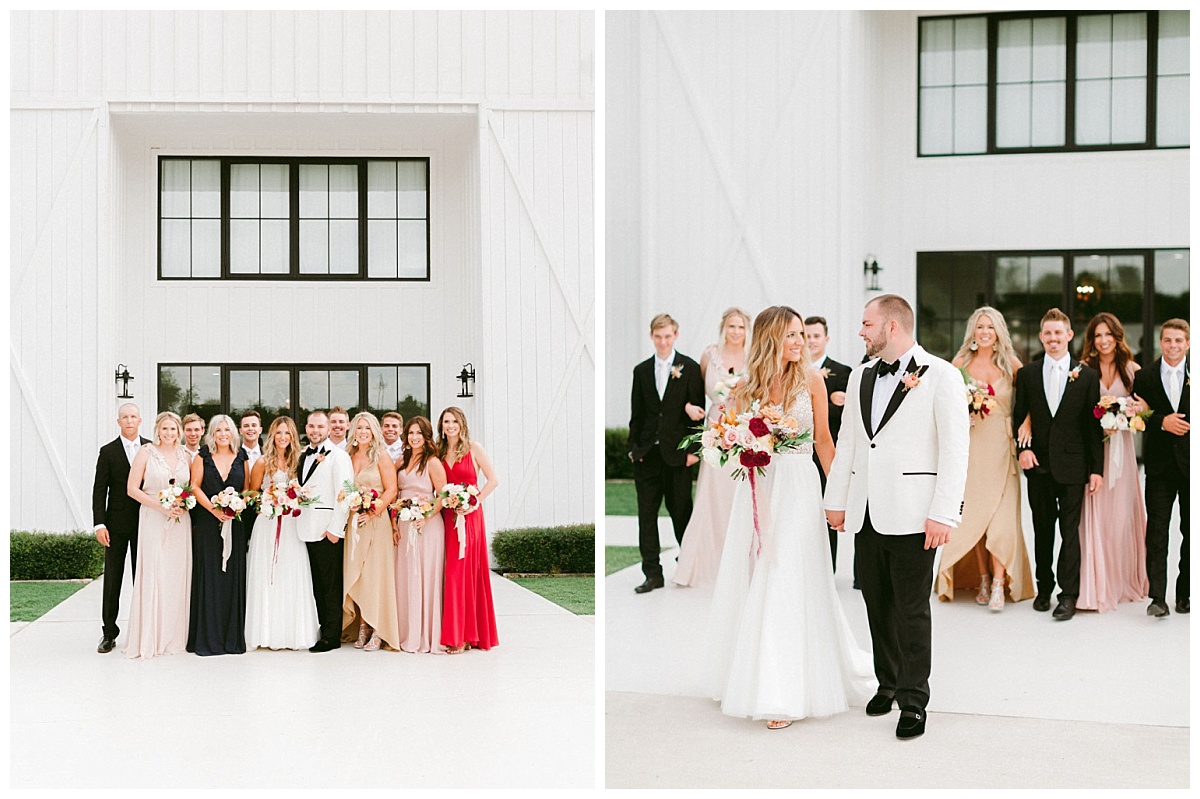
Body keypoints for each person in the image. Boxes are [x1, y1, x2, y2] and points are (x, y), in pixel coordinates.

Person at [709, 306, 875, 730]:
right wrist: (736, 443)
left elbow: (823, 441)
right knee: (761, 576)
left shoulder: (812, 381)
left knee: (792, 579)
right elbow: (732, 434)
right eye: (791, 335)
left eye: (802, 334)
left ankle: (784, 691)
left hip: (800, 487)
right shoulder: (747, 388)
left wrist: (840, 495)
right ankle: (756, 676)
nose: (800, 342)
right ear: (769, 339)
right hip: (761, 487)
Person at [825, 294, 970, 739]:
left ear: (891, 327)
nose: (860, 332)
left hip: (916, 515)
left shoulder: (942, 375)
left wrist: (944, 512)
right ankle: (886, 682)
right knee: (875, 604)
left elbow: (955, 450)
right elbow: (850, 441)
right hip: (867, 511)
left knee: (910, 610)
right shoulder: (862, 375)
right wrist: (837, 499)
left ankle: (913, 699)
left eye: (866, 324)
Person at [936, 307, 1033, 609]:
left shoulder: (1012, 364)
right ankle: (982, 577)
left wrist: (1027, 422)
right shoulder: (960, 363)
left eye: (990, 327)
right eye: (980, 327)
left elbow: (1031, 401)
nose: (985, 332)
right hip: (972, 448)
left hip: (1003, 449)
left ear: (998, 331)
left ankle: (1000, 583)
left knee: (1001, 519)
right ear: (973, 332)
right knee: (975, 517)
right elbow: (947, 403)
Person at [1012, 308, 1104, 622]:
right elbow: (1018, 416)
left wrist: (1096, 469)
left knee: (1069, 533)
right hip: (1038, 465)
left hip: (1074, 467)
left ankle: (1068, 595)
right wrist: (1021, 450)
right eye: (1047, 333)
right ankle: (1043, 587)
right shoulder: (1026, 374)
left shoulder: (1088, 375)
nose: (1053, 339)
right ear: (1041, 337)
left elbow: (1093, 428)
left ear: (1069, 336)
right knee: (1042, 530)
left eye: (1058, 333)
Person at [1072, 312, 1149, 612]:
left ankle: (1119, 582)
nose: (1103, 341)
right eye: (1097, 335)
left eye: (1108, 335)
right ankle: (1095, 583)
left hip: (1122, 451)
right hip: (1093, 452)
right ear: (1091, 340)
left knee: (1120, 516)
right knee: (1094, 513)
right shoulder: (1082, 369)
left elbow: (1145, 407)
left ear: (1117, 337)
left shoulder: (1132, 370)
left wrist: (1127, 414)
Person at [627, 313, 705, 593]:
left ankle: (688, 565)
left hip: (678, 457)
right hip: (647, 457)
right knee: (646, 517)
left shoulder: (691, 368)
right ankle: (652, 574)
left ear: (676, 335)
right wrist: (633, 450)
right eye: (658, 337)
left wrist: (694, 451)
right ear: (651, 336)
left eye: (667, 336)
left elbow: (698, 414)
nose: (663, 342)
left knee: (682, 512)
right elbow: (637, 415)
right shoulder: (641, 371)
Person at [673, 307, 750, 587]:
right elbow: (694, 391)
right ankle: (705, 564)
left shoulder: (753, 357)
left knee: (738, 494)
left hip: (742, 430)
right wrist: (689, 406)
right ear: (723, 327)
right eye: (732, 326)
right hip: (715, 428)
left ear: (747, 330)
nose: (736, 332)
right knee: (711, 495)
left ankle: (741, 563)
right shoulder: (709, 355)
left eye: (741, 327)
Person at [245, 416, 320, 651]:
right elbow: (251, 494)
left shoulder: (300, 462)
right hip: (267, 524)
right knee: (268, 575)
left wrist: (294, 497)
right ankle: (265, 632)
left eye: (287, 433)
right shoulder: (261, 462)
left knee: (292, 573)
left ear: (293, 436)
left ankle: (292, 632)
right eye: (279, 433)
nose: (283, 437)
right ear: (272, 435)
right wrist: (268, 500)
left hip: (292, 525)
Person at [123, 411, 194, 659]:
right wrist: (161, 506)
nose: (169, 433)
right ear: (157, 430)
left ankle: (175, 636)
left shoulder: (187, 455)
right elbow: (132, 489)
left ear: (179, 431)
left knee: (176, 575)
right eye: (165, 429)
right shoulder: (145, 452)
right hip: (153, 518)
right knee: (155, 573)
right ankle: (151, 636)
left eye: (173, 429)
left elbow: (192, 487)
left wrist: (183, 504)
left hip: (180, 522)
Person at [1133, 319, 1190, 617]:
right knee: (1157, 533)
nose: (1173, 346)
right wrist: (1162, 422)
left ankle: (1186, 594)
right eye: (1168, 340)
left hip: (1192, 466)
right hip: (1158, 467)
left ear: (1188, 343)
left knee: (1191, 532)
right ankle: (1158, 597)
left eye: (1179, 340)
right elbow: (1137, 418)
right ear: (1160, 342)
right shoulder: (1144, 377)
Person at [186, 414, 249, 655]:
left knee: (232, 578)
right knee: (210, 575)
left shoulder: (241, 456)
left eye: (227, 430)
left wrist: (236, 506)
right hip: (207, 524)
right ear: (211, 433)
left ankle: (231, 636)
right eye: (218, 430)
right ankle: (209, 637)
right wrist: (214, 510)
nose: (223, 434)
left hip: (235, 523)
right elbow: (194, 485)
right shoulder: (202, 456)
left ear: (234, 433)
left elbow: (247, 488)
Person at [438, 406, 500, 652]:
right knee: (452, 573)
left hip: (470, 518)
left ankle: (462, 636)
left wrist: (474, 502)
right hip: (447, 517)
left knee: (462, 572)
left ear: (461, 424)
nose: (450, 426)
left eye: (454, 421)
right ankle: (461, 631)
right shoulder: (440, 451)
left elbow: (493, 479)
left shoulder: (474, 448)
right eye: (446, 422)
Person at [92, 402, 150, 653]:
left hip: (147, 522)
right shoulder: (108, 451)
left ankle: (145, 629)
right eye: (124, 417)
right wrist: (99, 523)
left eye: (133, 416)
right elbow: (99, 490)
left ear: (140, 420)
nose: (129, 420)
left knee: (144, 577)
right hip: (115, 525)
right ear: (118, 422)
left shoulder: (151, 448)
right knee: (113, 579)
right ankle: (109, 633)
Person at [340, 412, 401, 651]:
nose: (363, 432)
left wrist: (373, 509)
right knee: (358, 574)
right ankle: (361, 626)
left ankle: (376, 629)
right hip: (354, 524)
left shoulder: (381, 456)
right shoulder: (346, 457)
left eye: (367, 428)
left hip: (376, 523)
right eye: (359, 427)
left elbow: (392, 490)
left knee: (375, 577)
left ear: (374, 431)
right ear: (353, 431)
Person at [295, 410, 354, 651]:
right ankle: (320, 629)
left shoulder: (338, 456)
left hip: (326, 531)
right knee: (315, 585)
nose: (315, 431)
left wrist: (335, 530)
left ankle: (332, 636)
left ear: (329, 428)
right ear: (306, 428)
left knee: (330, 586)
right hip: (303, 530)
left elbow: (345, 493)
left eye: (320, 426)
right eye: (311, 426)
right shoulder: (301, 455)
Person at [394, 416, 448, 653]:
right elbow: (394, 493)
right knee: (405, 577)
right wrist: (395, 523)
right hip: (404, 525)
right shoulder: (400, 461)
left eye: (418, 433)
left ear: (426, 436)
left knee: (425, 575)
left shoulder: (433, 462)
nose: (414, 437)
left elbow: (443, 495)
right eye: (410, 433)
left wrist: (425, 516)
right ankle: (406, 631)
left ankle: (426, 633)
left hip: (427, 526)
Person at [805, 314, 853, 572]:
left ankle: (827, 571)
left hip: (826, 451)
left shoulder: (842, 371)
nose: (811, 341)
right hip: (797, 454)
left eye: (816, 336)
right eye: (807, 335)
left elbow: (845, 415)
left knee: (827, 510)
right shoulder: (793, 370)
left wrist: (832, 405)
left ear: (826, 339)